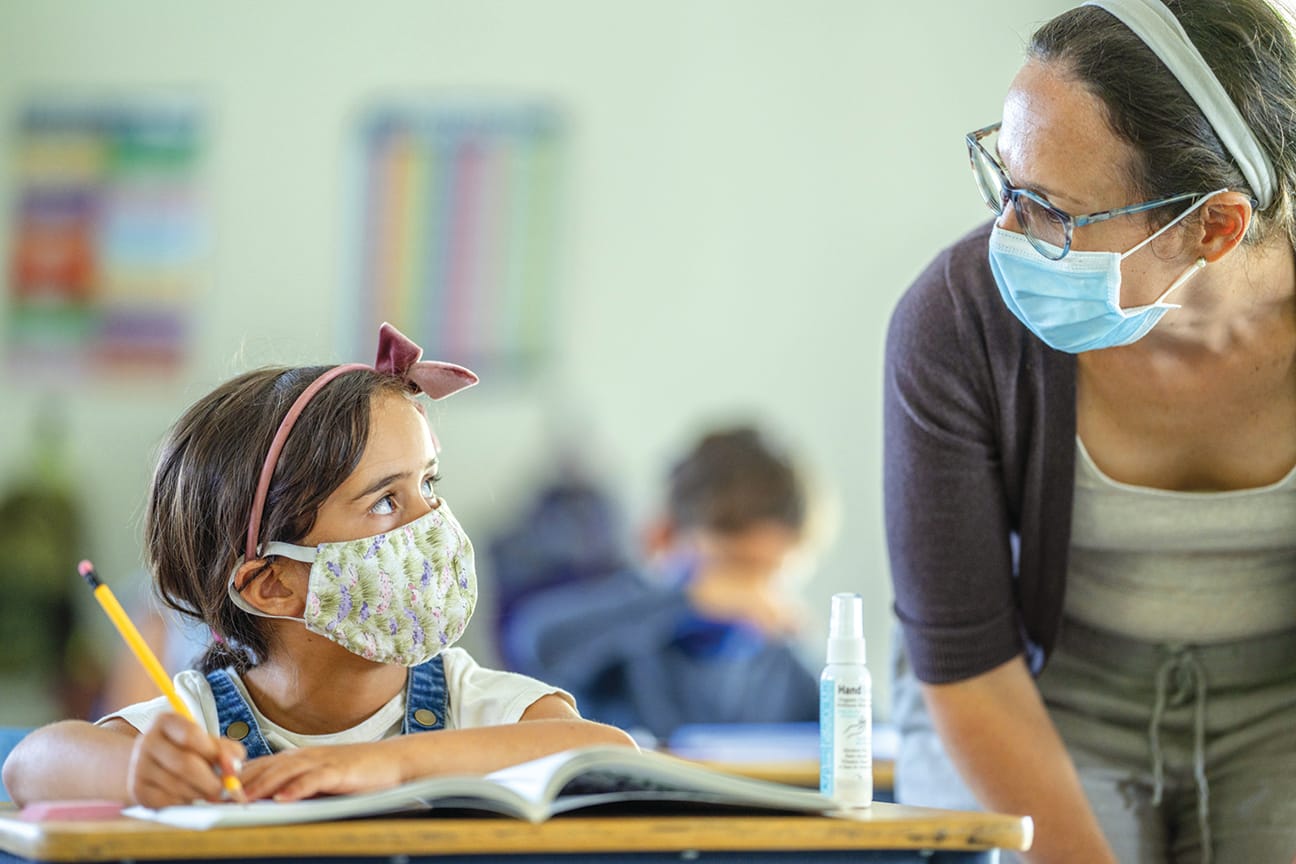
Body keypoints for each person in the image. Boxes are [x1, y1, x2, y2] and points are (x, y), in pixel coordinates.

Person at [884, 1, 1296, 862]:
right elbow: (967, 663)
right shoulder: (958, 320)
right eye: (1004, 180)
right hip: (1031, 696)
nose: (1004, 233)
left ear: (1213, 227)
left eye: (1048, 210)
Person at [2, 323, 634, 808]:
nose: (434, 522)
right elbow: (29, 766)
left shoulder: (473, 703)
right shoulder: (201, 719)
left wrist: (390, 763)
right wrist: (134, 771)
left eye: (428, 484)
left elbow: (605, 752)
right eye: (386, 501)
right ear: (272, 583)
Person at [503, 426, 820, 743]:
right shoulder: (629, 621)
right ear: (669, 534)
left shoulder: (781, 661)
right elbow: (536, 643)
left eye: (773, 572)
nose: (753, 589)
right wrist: (690, 602)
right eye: (735, 565)